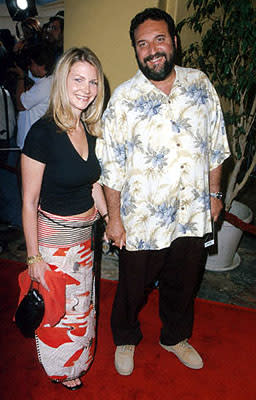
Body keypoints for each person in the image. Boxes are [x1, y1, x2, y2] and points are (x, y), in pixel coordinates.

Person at [96, 8, 230, 376]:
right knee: (132, 287)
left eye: (159, 39)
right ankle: (125, 336)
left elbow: (215, 146)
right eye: (142, 44)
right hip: (142, 219)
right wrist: (115, 220)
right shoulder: (123, 100)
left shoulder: (200, 84)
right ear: (135, 51)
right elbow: (112, 166)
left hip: (191, 212)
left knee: (184, 282)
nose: (152, 50)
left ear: (174, 41)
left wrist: (215, 195)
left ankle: (174, 337)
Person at [21, 47, 108, 390]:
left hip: (85, 239)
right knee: (60, 314)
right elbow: (28, 203)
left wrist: (109, 220)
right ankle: (61, 370)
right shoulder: (42, 134)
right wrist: (33, 256)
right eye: (78, 80)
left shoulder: (88, 127)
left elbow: (94, 183)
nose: (86, 89)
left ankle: (78, 361)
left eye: (93, 81)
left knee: (83, 308)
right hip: (55, 243)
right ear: (62, 82)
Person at [12, 43, 56, 149]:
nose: (29, 67)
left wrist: (20, 78)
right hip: (36, 138)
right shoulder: (50, 80)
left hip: (30, 140)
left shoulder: (43, 86)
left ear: (41, 65)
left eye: (31, 64)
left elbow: (20, 105)